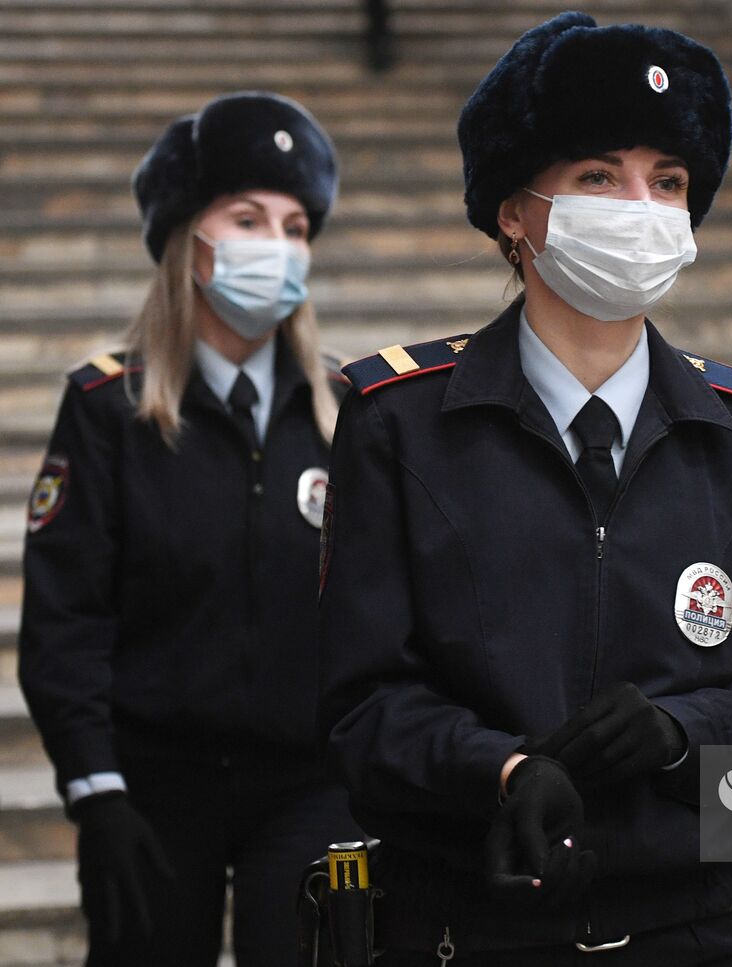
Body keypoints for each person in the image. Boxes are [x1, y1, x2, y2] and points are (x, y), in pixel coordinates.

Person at [316, 12, 732, 966]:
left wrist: (684, 735)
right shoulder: (398, 422)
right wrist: (505, 771)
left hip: (708, 924)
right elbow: (361, 707)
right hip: (473, 925)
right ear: (514, 213)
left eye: (669, 181)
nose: (640, 206)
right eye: (599, 176)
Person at [19, 92, 360, 967]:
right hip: (153, 788)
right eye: (248, 218)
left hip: (308, 788)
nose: (277, 247)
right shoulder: (107, 410)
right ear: (189, 242)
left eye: (295, 226)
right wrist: (95, 790)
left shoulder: (347, 414)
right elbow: (67, 618)